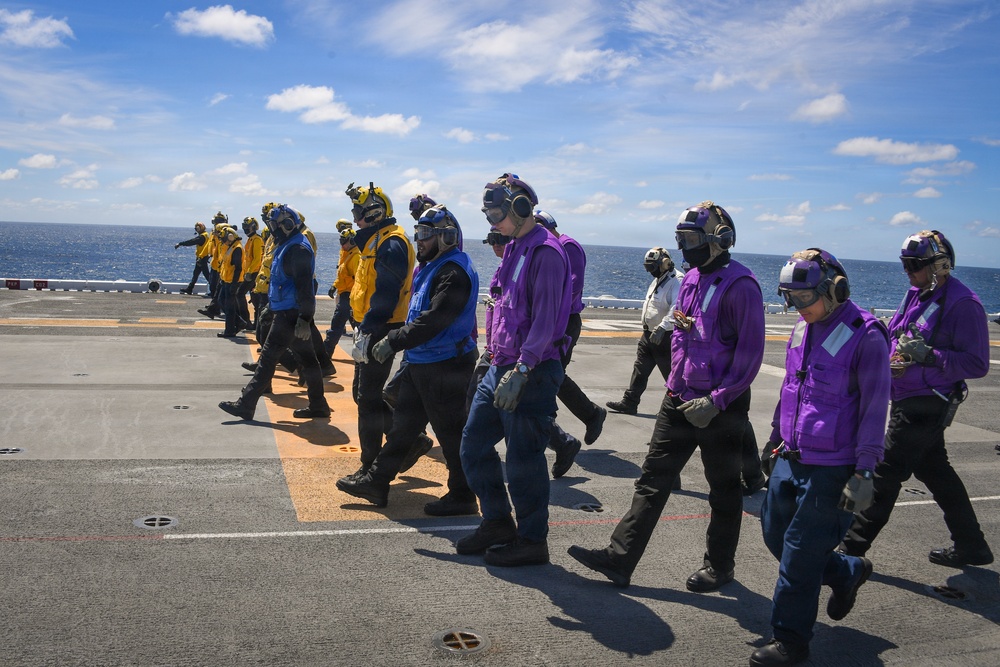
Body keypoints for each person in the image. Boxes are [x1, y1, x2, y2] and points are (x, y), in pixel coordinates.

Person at [568, 201, 764, 591]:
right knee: (652, 480)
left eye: (690, 239)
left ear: (719, 240)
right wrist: (675, 384)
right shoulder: (689, 281)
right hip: (679, 399)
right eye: (680, 239)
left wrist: (717, 400)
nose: (684, 247)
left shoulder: (742, 286)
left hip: (719, 408)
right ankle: (620, 559)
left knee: (723, 490)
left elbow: (750, 356)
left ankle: (719, 566)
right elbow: (682, 333)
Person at [751, 249, 890, 666]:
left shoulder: (866, 335)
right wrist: (775, 438)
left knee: (798, 552)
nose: (797, 306)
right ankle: (847, 572)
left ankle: (791, 640)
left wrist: (865, 469)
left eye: (804, 297)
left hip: (834, 467)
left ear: (835, 289)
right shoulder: (801, 328)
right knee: (775, 535)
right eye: (789, 298)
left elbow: (874, 407)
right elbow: (791, 389)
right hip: (792, 454)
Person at [839, 230, 993, 568]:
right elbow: (898, 333)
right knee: (937, 472)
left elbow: (978, 363)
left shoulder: (963, 303)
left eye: (914, 265)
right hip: (908, 396)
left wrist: (929, 355)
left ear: (940, 265)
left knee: (885, 473)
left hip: (927, 402)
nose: (908, 271)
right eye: (905, 265)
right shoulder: (917, 294)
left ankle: (850, 550)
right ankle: (973, 546)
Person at [457, 173, 571, 567]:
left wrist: (522, 370)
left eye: (496, 215)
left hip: (533, 371)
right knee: (472, 445)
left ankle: (532, 541)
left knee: (524, 461)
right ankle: (498, 522)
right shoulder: (515, 248)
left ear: (521, 208)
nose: (491, 223)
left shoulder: (548, 254)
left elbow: (546, 321)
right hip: (501, 364)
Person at [336, 205, 480, 516]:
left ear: (447, 237)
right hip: (422, 362)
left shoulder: (453, 272)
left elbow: (434, 321)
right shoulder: (431, 267)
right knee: (403, 428)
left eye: (426, 235)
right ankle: (376, 481)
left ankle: (463, 495)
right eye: (418, 234)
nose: (420, 241)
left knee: (451, 434)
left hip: (446, 366)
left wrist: (393, 340)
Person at [218, 205, 330, 421]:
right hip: (288, 312)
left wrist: (304, 319)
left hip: (290, 316)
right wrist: (273, 307)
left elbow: (305, 288)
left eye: (274, 225)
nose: (271, 230)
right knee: (308, 361)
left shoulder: (298, 250)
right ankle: (319, 405)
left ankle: (246, 404)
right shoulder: (288, 245)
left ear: (287, 225)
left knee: (268, 359)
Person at [345, 182, 415, 479]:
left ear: (373, 213)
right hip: (371, 326)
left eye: (358, 212)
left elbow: (385, 296)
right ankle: (413, 443)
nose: (354, 218)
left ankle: (369, 467)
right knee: (363, 396)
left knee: (368, 402)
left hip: (381, 328)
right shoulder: (375, 240)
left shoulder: (391, 243)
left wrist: (368, 331)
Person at [533, 210, 606, 478]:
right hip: (555, 318)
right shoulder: (546, 247)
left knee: (547, 378)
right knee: (553, 376)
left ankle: (565, 436)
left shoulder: (567, 246)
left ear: (550, 227)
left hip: (563, 320)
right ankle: (588, 416)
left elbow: (571, 287)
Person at [606, 247, 683, 415]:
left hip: (665, 336)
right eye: (648, 267)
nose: (651, 272)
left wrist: (662, 327)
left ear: (664, 263)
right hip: (649, 335)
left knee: (671, 375)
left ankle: (679, 408)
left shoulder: (677, 280)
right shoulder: (659, 279)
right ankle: (630, 402)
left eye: (653, 267)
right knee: (640, 370)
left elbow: (677, 306)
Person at [324, 220, 359, 358]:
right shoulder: (347, 254)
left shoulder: (355, 256)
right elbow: (342, 274)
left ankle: (325, 356)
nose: (341, 245)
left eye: (344, 241)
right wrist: (334, 285)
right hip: (345, 294)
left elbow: (358, 280)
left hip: (349, 297)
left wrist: (354, 300)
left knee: (336, 326)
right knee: (356, 328)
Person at [216, 225, 245, 338]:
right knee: (221, 301)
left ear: (231, 237)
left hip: (232, 282)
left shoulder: (236, 248)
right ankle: (239, 322)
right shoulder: (230, 247)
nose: (223, 241)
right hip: (226, 280)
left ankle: (229, 330)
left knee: (229, 307)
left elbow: (238, 268)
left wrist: (234, 284)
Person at [239, 217, 264, 328]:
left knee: (240, 294)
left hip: (254, 273)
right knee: (255, 299)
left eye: (247, 227)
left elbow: (257, 259)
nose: (245, 229)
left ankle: (246, 321)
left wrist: (249, 272)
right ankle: (255, 323)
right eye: (244, 227)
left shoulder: (257, 240)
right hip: (249, 273)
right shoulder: (251, 239)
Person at [174, 221, 212, 295]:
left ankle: (214, 290)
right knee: (196, 274)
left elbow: (191, 242)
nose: (196, 230)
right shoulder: (206, 235)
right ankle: (189, 289)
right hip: (202, 257)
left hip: (202, 258)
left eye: (197, 228)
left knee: (207, 275)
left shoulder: (202, 237)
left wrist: (180, 244)